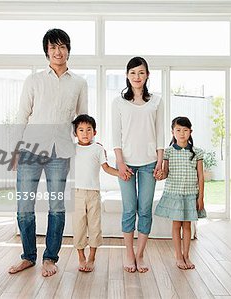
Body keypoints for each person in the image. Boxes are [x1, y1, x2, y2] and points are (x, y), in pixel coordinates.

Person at [8, 28, 88, 277]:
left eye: (62, 46)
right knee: (24, 207)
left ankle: (50, 258)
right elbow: (22, 114)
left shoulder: (79, 82)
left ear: (68, 51)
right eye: (53, 47)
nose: (58, 51)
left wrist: (88, 145)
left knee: (56, 206)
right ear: (46, 51)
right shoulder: (34, 80)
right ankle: (28, 257)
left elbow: (81, 119)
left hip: (61, 151)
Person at [112, 57, 164, 273]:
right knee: (128, 210)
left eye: (141, 72)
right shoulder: (119, 102)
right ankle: (129, 254)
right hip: (126, 164)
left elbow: (160, 133)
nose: (137, 77)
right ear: (127, 75)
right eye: (133, 73)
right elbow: (116, 135)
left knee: (145, 210)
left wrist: (160, 161)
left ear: (147, 75)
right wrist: (120, 163)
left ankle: (140, 255)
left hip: (150, 163)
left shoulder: (156, 101)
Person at [71, 114, 121, 272]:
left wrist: (121, 173)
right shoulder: (71, 148)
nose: (85, 133)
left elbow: (106, 168)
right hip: (76, 193)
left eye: (88, 130)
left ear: (95, 132)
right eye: (81, 130)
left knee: (94, 226)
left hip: (93, 194)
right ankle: (81, 257)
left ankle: (92, 257)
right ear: (75, 133)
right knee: (78, 227)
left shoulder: (98, 148)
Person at [154, 116, 205, 270]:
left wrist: (201, 197)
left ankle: (186, 256)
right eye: (178, 130)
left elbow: (201, 176)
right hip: (174, 193)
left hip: (190, 194)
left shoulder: (197, 152)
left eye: (185, 130)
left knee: (187, 226)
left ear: (190, 132)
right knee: (176, 225)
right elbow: (166, 173)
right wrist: (159, 174)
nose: (182, 133)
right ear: (173, 132)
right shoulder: (168, 152)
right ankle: (178, 256)